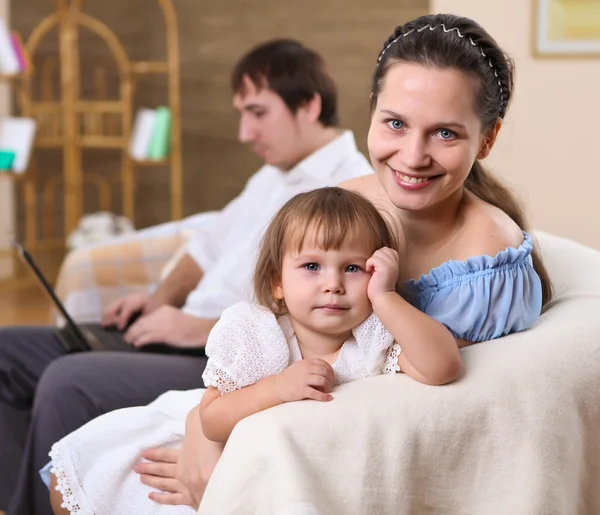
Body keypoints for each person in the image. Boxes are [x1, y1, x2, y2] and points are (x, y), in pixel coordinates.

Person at [92, 13, 552, 508]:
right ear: (372, 112)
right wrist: (205, 425)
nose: (413, 156)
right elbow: (282, 331)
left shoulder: (485, 255)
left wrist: (231, 439)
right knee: (87, 460)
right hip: (276, 400)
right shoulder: (346, 201)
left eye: (445, 134)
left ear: (486, 139)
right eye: (395, 123)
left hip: (326, 447)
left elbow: (422, 395)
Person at [0, 40, 373, 515]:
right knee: (5, 351)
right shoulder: (272, 175)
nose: (244, 132)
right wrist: (158, 301)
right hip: (172, 330)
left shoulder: (344, 194)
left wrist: (194, 329)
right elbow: (206, 246)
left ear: (310, 105)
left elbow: (308, 304)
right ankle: (18, 503)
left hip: (218, 351)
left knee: (65, 382)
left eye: (257, 112)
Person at [47, 187, 403, 514]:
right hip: (222, 444)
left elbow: (441, 367)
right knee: (91, 483)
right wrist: (278, 387)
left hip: (279, 475)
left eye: (353, 268)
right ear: (277, 282)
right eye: (312, 267)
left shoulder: (374, 338)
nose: (333, 285)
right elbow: (212, 420)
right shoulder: (257, 332)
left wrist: (386, 297)